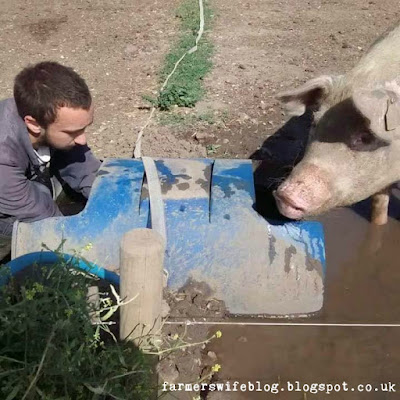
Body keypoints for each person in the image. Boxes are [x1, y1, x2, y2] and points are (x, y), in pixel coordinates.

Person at [0, 61, 101, 260]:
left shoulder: (40, 109)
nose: (83, 139)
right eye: (73, 132)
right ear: (33, 124)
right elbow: (44, 217)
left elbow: (86, 170)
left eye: (84, 128)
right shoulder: (3, 156)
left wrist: (106, 199)